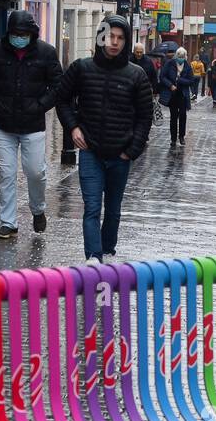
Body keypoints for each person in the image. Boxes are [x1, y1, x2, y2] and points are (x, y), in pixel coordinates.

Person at [53, 14, 152, 263]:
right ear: (101, 37)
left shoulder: (137, 75)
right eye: (109, 36)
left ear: (126, 42)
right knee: (92, 207)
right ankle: (93, 258)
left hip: (121, 154)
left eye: (120, 38)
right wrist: (73, 128)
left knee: (113, 210)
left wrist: (131, 151)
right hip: (91, 152)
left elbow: (144, 117)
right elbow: (61, 98)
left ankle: (107, 249)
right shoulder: (82, 68)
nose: (114, 42)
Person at [0, 10, 62, 239]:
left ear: (32, 34)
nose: (19, 38)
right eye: (15, 33)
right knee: (6, 174)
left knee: (36, 172)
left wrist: (39, 106)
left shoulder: (46, 53)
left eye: (24, 34)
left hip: (32, 124)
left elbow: (57, 86)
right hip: (2, 124)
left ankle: (38, 209)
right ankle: (8, 222)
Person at [160, 47, 195, 146]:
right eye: (179, 56)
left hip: (183, 94)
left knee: (183, 116)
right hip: (173, 94)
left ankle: (181, 137)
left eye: (183, 57)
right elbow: (162, 76)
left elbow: (191, 80)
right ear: (176, 56)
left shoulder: (187, 66)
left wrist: (180, 80)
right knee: (173, 117)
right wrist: (170, 85)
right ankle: (173, 138)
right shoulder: (170, 64)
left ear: (185, 57)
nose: (181, 58)